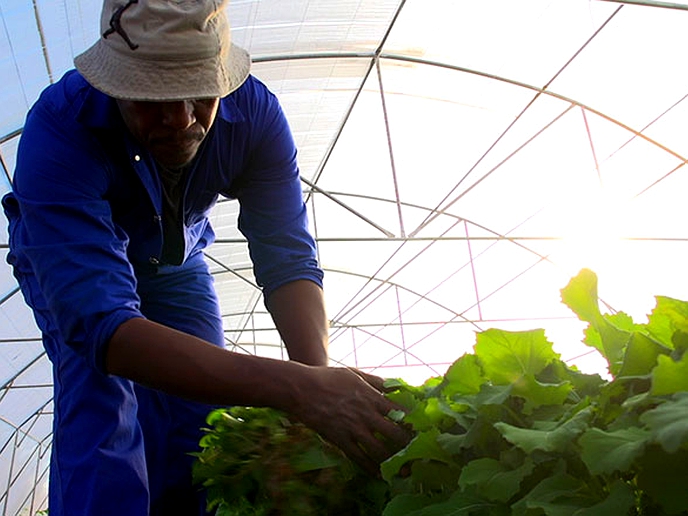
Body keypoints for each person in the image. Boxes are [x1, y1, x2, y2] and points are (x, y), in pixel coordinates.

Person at [1, 1, 410, 515]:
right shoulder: (62, 128)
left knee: (203, 422)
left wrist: (318, 381)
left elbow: (286, 256)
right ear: (115, 85)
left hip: (174, 260)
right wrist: (296, 390)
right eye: (153, 98)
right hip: (77, 264)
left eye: (199, 92)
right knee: (104, 406)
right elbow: (101, 323)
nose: (181, 118)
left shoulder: (254, 116)